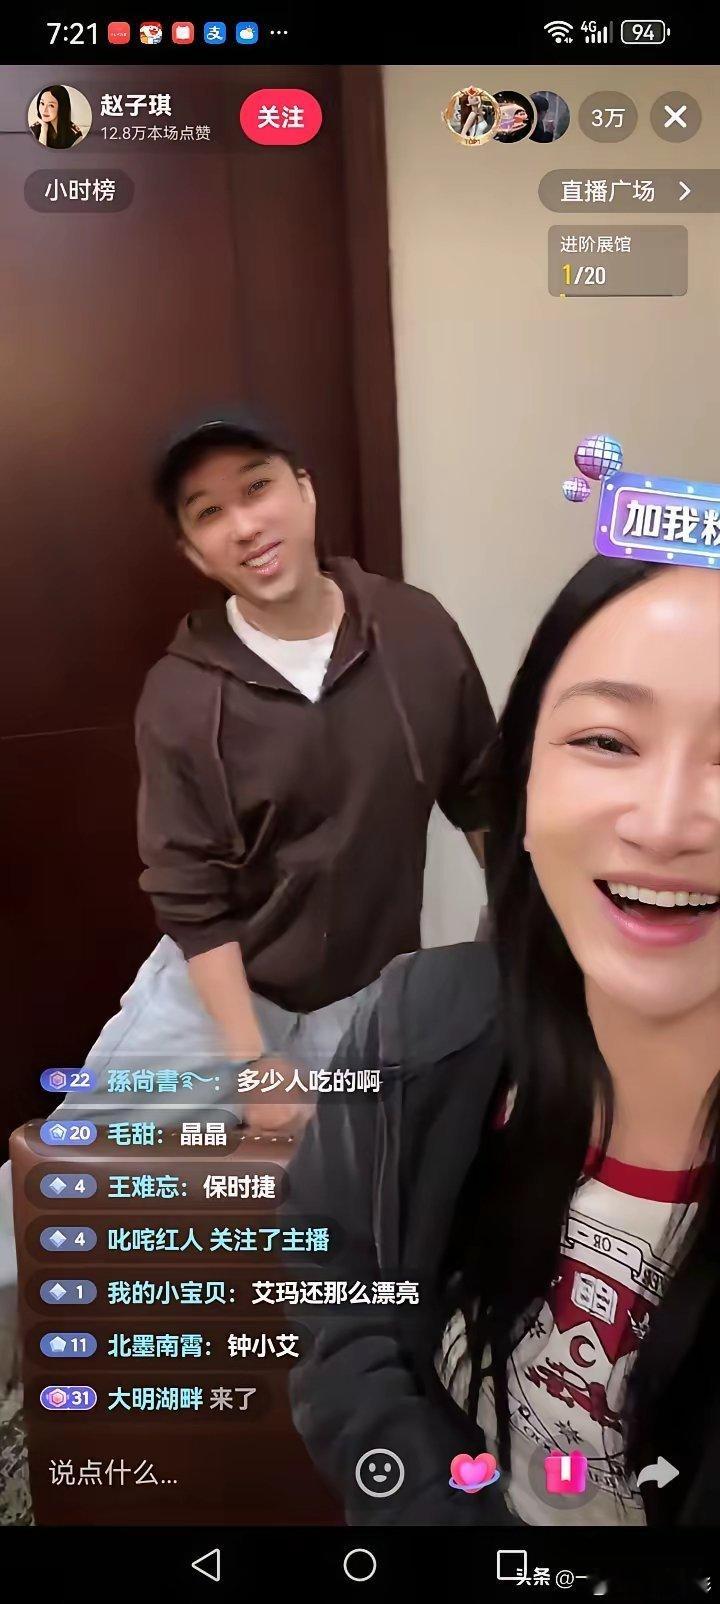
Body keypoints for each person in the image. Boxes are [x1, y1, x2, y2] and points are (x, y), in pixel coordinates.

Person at [286, 555, 720, 1528]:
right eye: (607, 740)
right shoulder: (415, 1027)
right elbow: (331, 1273)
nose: (664, 825)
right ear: (521, 789)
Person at [79, 415, 495, 1132]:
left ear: (305, 490)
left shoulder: (416, 630)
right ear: (195, 552)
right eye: (210, 513)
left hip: (364, 995)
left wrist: (520, 949)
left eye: (257, 488)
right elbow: (190, 896)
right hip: (214, 998)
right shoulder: (181, 695)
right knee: (76, 1173)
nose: (245, 526)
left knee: (346, 1187)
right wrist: (253, 1062)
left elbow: (482, 795)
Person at [30, 85, 83, 150]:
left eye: (51, 105)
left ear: (62, 107)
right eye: (42, 103)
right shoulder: (33, 130)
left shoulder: (74, 134)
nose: (44, 110)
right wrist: (44, 129)